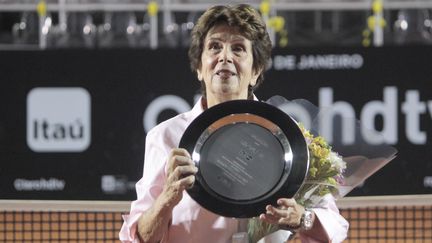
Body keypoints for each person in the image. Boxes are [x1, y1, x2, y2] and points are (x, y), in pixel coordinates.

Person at [119, 4, 348, 243]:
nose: (225, 57)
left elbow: (336, 226)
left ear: (256, 71)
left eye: (238, 49)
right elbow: (139, 238)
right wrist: (167, 197)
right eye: (215, 47)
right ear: (199, 67)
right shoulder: (165, 137)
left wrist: (303, 218)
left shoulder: (287, 134)